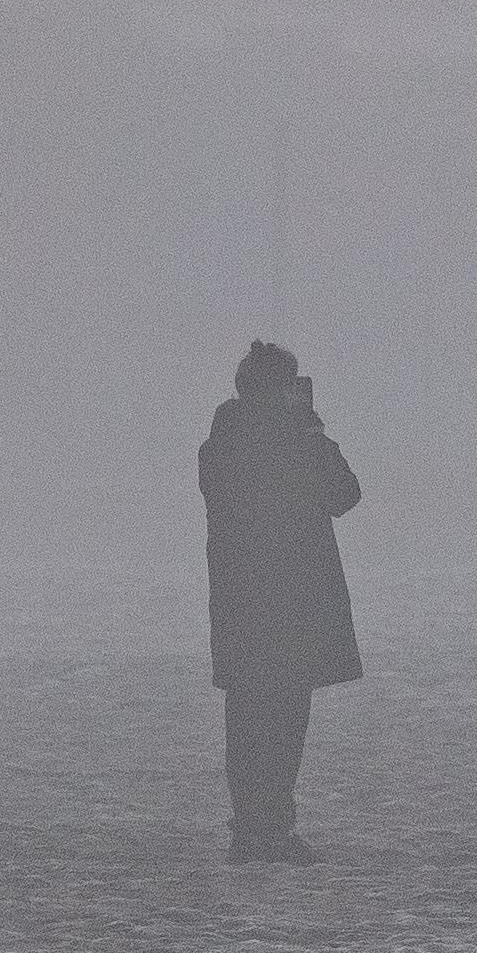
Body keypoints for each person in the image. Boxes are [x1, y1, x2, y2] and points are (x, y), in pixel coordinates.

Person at [199, 340, 364, 862]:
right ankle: (271, 828)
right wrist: (312, 433)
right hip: (294, 601)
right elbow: (344, 494)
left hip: (241, 602)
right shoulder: (296, 442)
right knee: (286, 717)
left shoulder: (220, 443)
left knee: (246, 717)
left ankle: (250, 828)